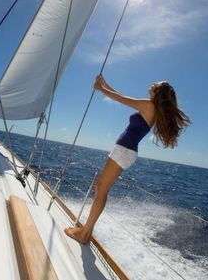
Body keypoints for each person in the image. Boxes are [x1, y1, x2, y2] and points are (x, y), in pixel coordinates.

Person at [64, 74, 191, 244]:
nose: (152, 82)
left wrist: (100, 89)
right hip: (124, 151)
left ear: (157, 91)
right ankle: (87, 230)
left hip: (124, 151)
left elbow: (121, 99)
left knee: (101, 189)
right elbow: (123, 96)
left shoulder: (148, 105)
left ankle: (84, 234)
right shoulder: (150, 107)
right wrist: (104, 84)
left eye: (156, 84)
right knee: (100, 185)